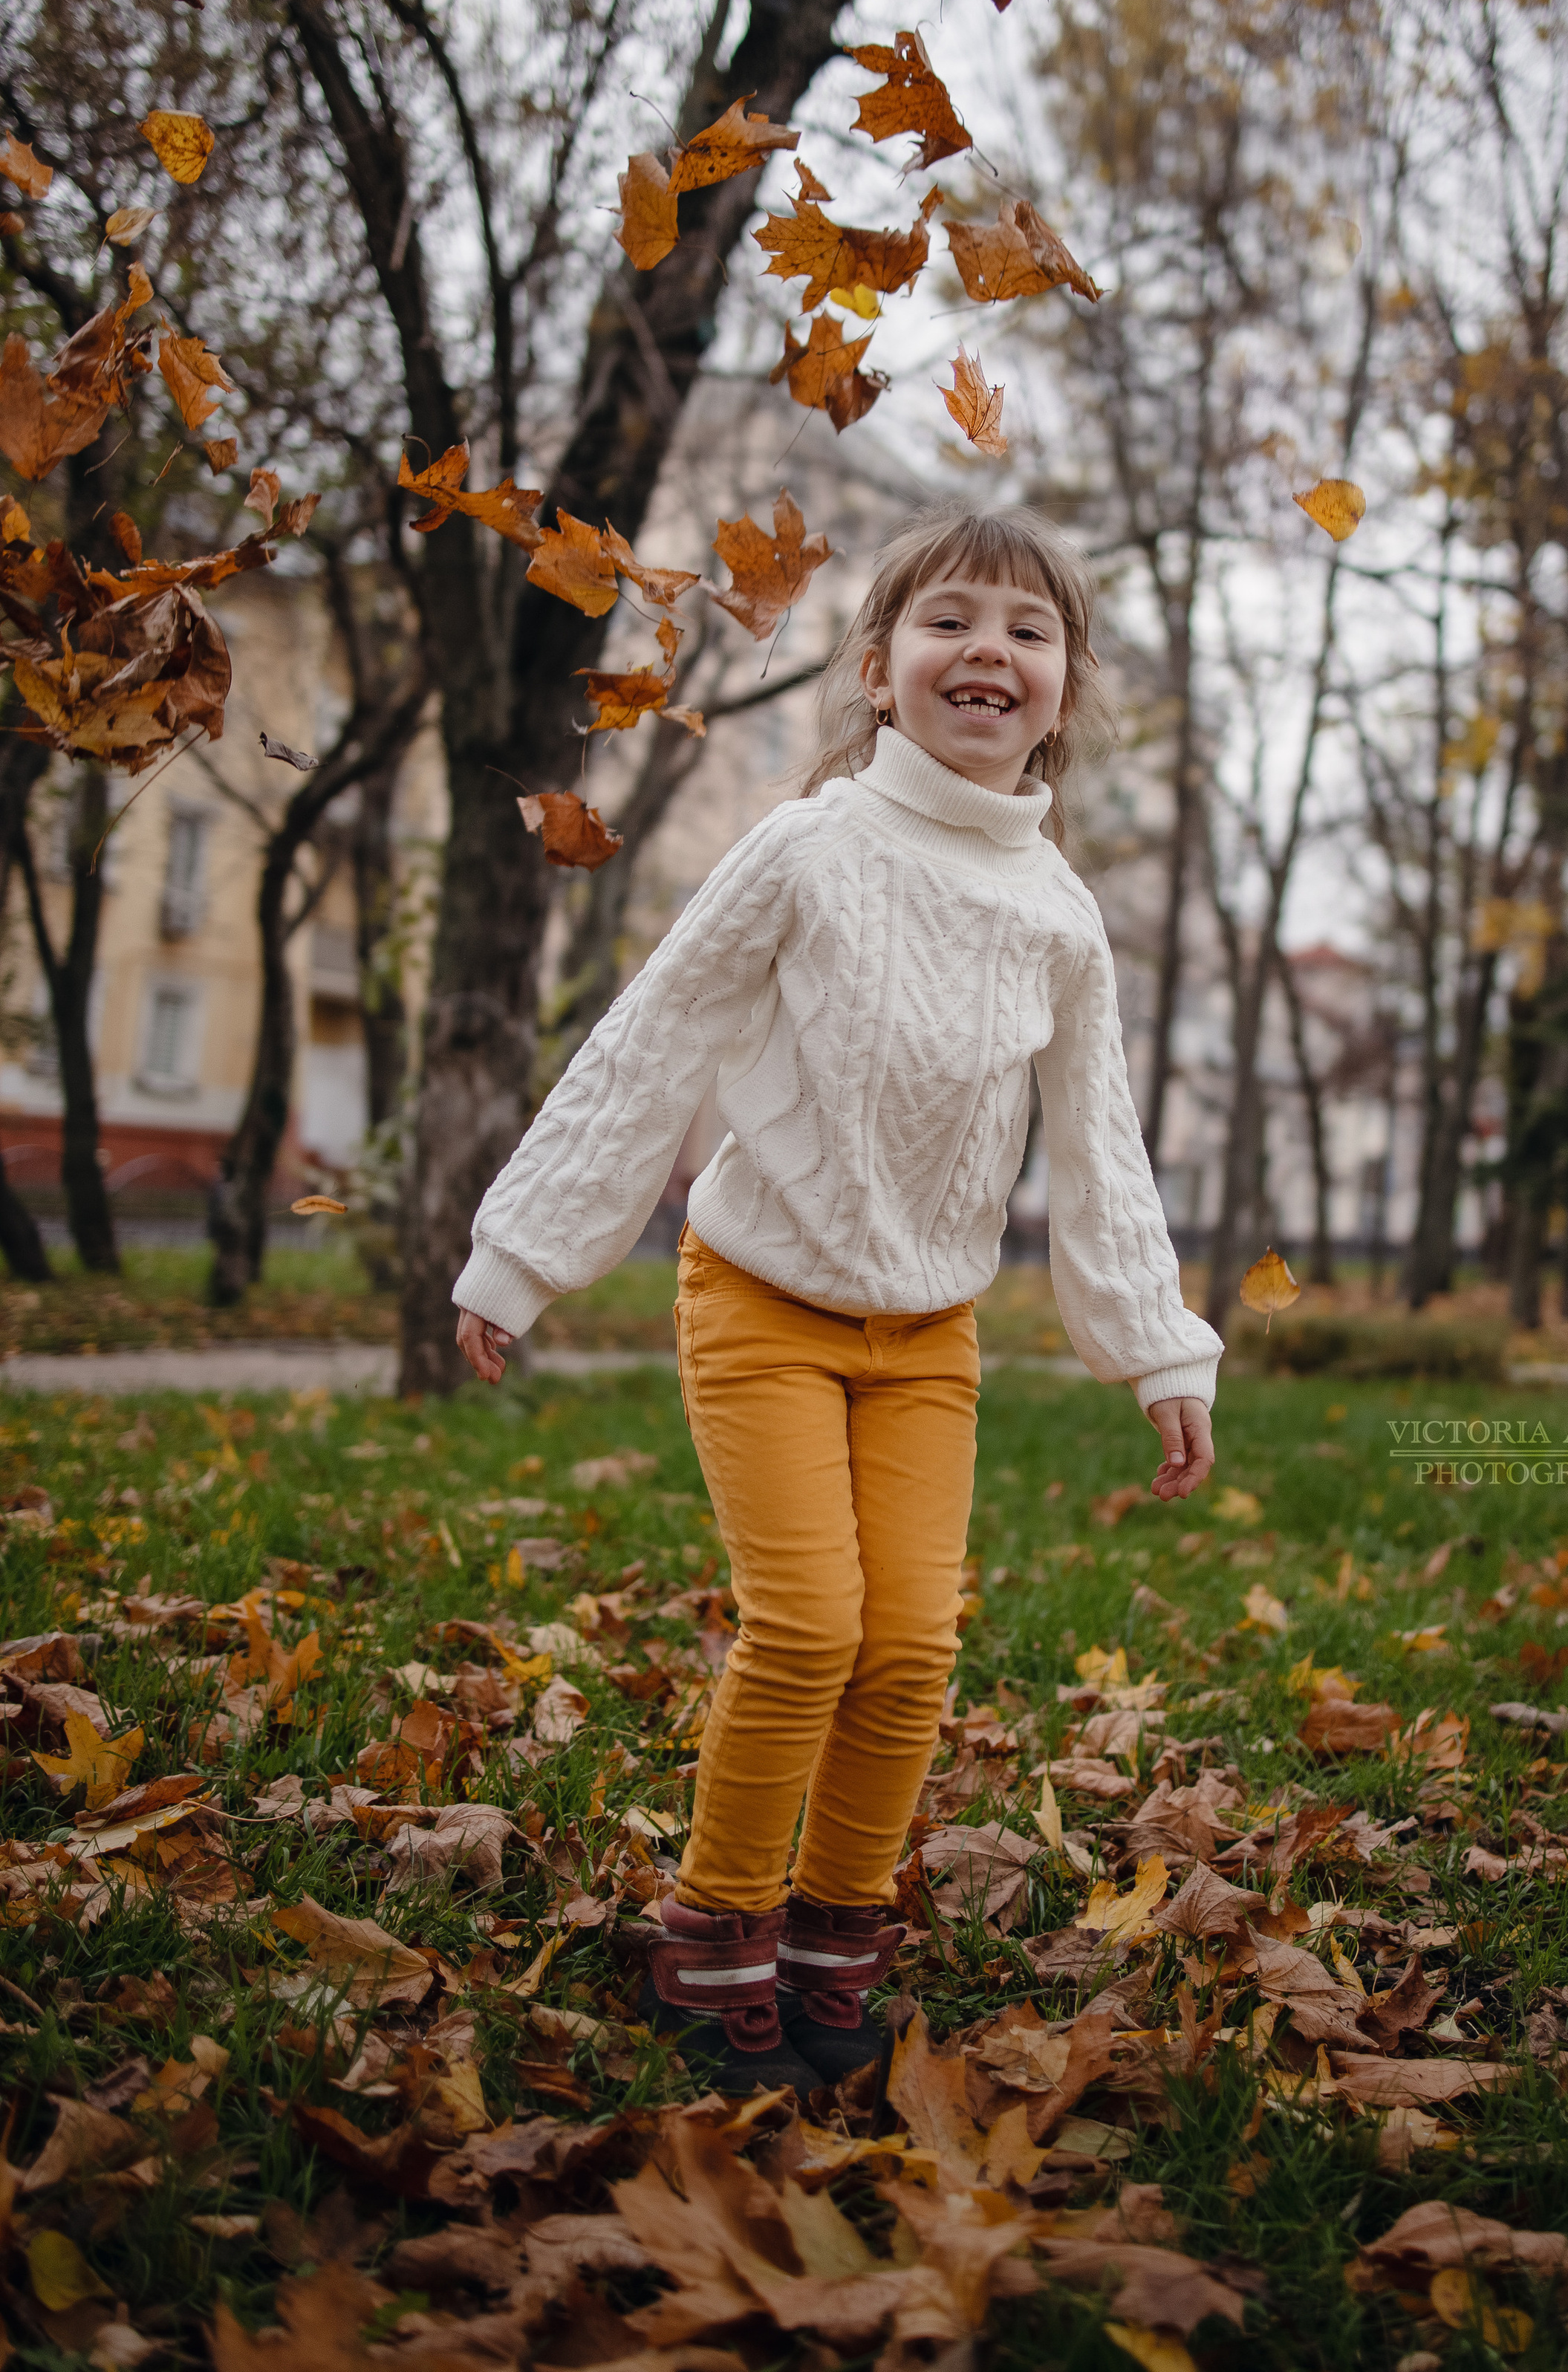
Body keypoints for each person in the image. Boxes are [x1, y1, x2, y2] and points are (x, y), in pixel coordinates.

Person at [452, 504, 1219, 2096]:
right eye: (948, 622)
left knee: (910, 1650)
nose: (985, 652)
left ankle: (831, 1935)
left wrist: (1157, 1348)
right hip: (760, 1300)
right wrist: (522, 1250)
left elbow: (1098, 1149)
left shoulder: (1060, 917)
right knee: (808, 1626)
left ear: (1063, 692)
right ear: (877, 668)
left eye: (1025, 630)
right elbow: (652, 1040)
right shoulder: (807, 849)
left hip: (927, 1335)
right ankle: (709, 1928)